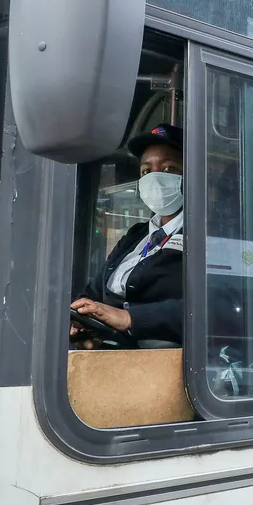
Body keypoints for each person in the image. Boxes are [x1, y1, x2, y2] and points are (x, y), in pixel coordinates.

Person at [71, 123, 185, 348]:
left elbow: (216, 309)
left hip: (167, 366)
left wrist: (129, 318)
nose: (155, 178)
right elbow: (93, 291)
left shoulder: (206, 236)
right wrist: (82, 318)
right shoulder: (136, 235)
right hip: (118, 360)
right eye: (146, 171)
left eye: (169, 168)